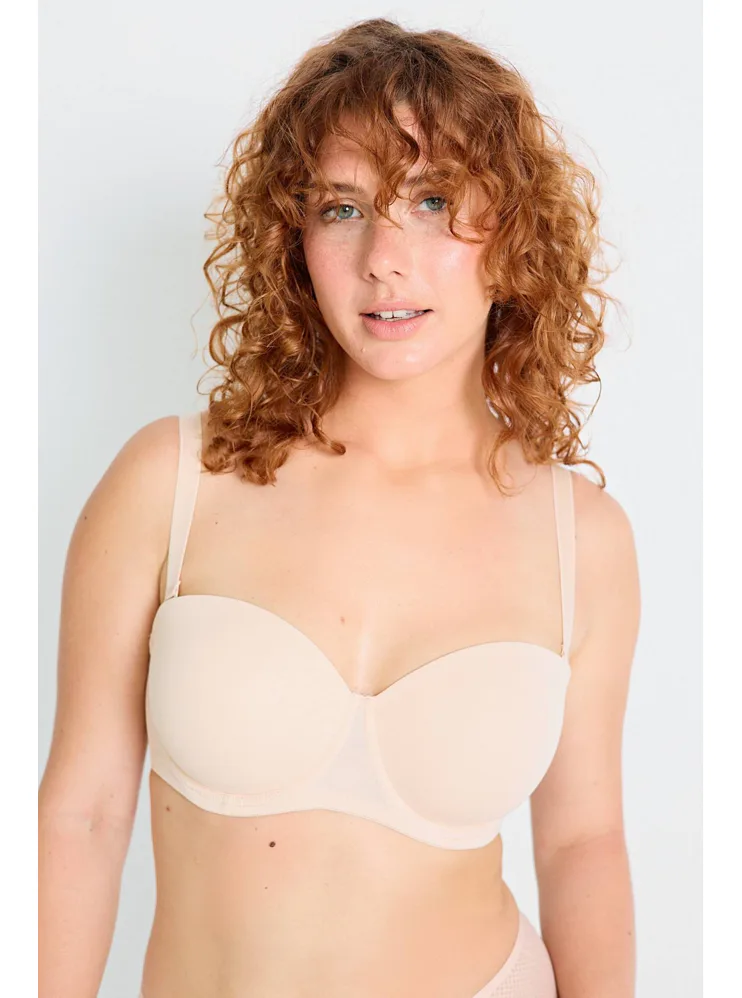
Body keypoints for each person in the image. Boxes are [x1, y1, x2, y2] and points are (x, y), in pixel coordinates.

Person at [38, 17, 641, 998]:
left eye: (434, 201)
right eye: (342, 207)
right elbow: (82, 815)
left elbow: (582, 843)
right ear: (295, 242)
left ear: (514, 235)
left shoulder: (584, 540)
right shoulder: (172, 480)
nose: (384, 257)